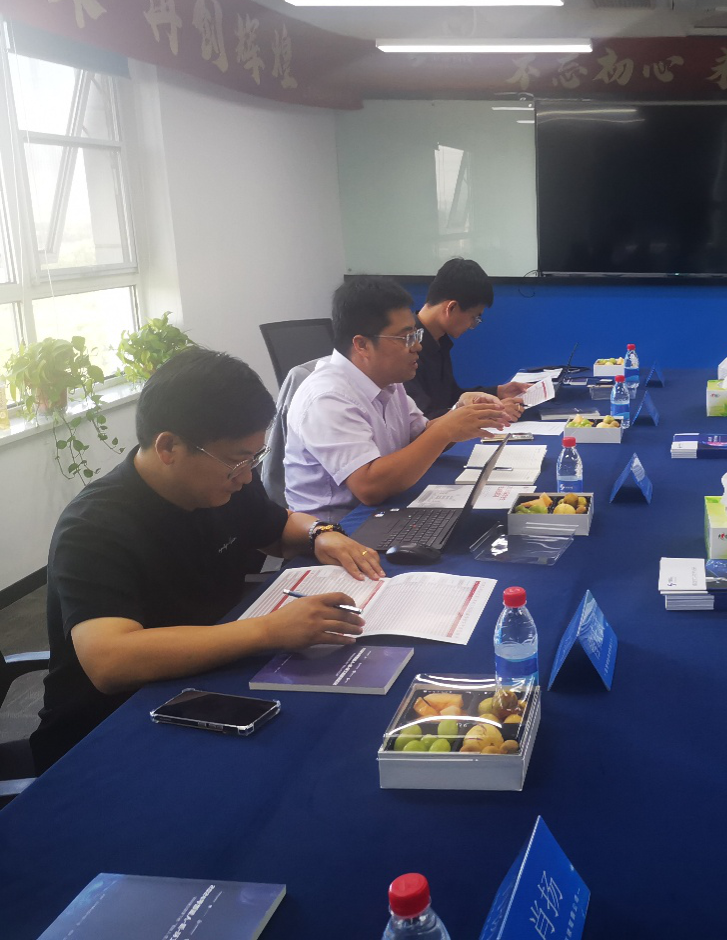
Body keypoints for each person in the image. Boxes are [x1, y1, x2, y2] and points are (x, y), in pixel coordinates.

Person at [32, 348, 379, 771]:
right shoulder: (93, 527)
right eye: (236, 460)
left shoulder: (224, 483)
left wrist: (320, 534)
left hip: (208, 684)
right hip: (108, 731)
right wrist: (269, 630)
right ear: (169, 447)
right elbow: (110, 660)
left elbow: (277, 528)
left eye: (254, 458)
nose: (248, 476)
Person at [285, 275, 509, 523]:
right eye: (405, 338)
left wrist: (459, 415)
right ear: (362, 345)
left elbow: (421, 435)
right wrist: (446, 429)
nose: (417, 347)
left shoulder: (389, 381)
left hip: (384, 513)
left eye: (416, 335)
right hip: (336, 530)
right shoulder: (327, 397)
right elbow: (369, 487)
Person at [404, 258, 530, 421]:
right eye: (474, 318)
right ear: (451, 307)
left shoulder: (440, 341)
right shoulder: (407, 348)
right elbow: (422, 419)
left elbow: (452, 399)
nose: (472, 325)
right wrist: (491, 411)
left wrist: (498, 392)